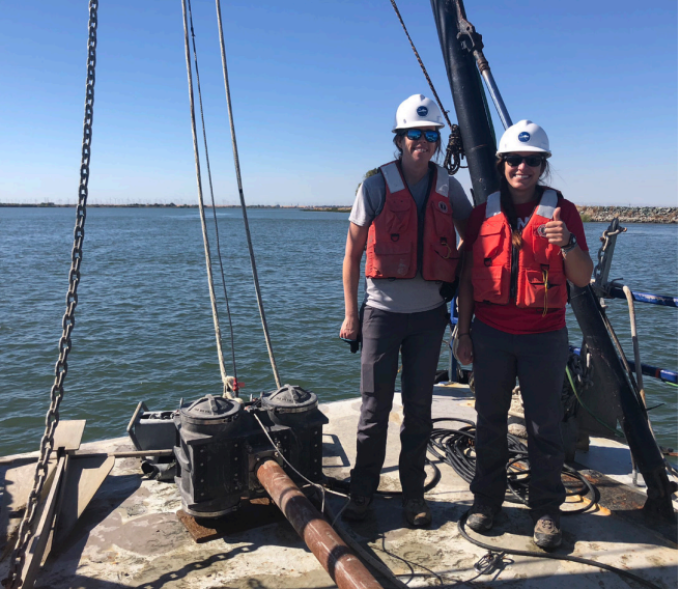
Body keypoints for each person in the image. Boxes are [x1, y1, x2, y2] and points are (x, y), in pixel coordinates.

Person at [455, 120, 593, 549]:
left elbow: (584, 279)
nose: (522, 167)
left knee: (543, 427)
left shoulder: (562, 212)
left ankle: (546, 512)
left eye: (532, 161)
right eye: (514, 159)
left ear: (542, 166)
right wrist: (462, 330)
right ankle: (486, 503)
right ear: (502, 164)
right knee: (489, 423)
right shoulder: (483, 213)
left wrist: (568, 243)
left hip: (543, 336)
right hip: (491, 333)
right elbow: (465, 277)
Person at [339, 94, 472, 526]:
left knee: (420, 409)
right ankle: (363, 492)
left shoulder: (450, 187)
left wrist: (454, 268)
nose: (423, 141)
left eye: (431, 134)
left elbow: (475, 234)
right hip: (382, 313)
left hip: (430, 316)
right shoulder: (375, 185)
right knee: (374, 410)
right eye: (414, 133)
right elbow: (353, 254)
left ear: (438, 140)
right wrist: (351, 315)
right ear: (399, 139)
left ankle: (414, 496)